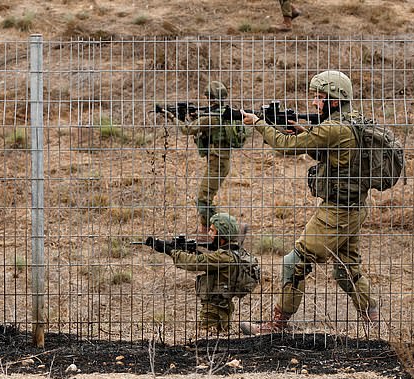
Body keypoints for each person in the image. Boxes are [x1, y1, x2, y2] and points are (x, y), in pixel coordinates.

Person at [238, 70, 378, 335]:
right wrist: (303, 131)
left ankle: (276, 326)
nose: (314, 103)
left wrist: (257, 122)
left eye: (319, 97)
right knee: (348, 269)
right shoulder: (352, 120)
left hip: (337, 212)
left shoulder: (333, 127)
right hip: (355, 207)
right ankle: (373, 320)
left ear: (334, 100)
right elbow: (331, 149)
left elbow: (284, 147)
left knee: (295, 261)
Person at [145, 213, 260, 333]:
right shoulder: (235, 252)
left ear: (221, 234)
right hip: (222, 306)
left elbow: (193, 262)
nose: (209, 234)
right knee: (220, 339)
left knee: (209, 342)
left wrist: (169, 250)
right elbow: (210, 263)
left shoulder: (224, 257)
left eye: (212, 230)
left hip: (213, 310)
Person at [168, 81, 247, 240]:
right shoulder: (225, 113)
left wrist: (172, 117)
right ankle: (209, 229)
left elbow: (187, 129)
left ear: (211, 98)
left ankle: (225, 228)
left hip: (217, 164)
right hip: (219, 162)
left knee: (203, 198)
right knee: (205, 197)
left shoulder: (212, 118)